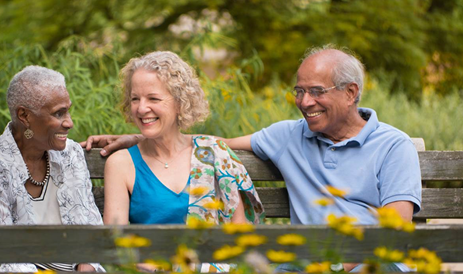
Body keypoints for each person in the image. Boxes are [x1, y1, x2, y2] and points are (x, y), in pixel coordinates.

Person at [82, 45, 422, 272]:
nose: (304, 102)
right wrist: (140, 137)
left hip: (372, 263)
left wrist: (334, 267)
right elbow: (209, 144)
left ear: (350, 93)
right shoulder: (288, 135)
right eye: (299, 91)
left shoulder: (393, 146)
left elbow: (392, 230)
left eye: (316, 91)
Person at [104, 51, 265, 272]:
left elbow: (240, 234)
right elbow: (117, 245)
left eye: (153, 98)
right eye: (135, 99)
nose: (141, 109)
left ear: (180, 103)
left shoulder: (213, 154)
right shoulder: (121, 164)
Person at [0, 66, 104, 273]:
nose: (69, 122)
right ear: (25, 116)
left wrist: (87, 266)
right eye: (59, 113)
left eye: (68, 110)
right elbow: (3, 255)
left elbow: (90, 225)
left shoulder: (71, 153)